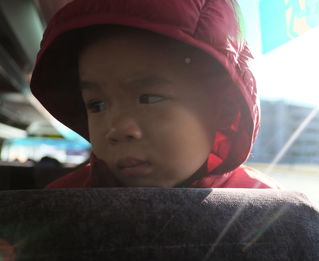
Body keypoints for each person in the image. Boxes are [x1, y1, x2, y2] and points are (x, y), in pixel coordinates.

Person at [30, 0, 280, 189]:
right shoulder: (62, 205)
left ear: (221, 109)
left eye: (148, 98)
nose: (116, 130)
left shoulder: (271, 212)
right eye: (96, 105)